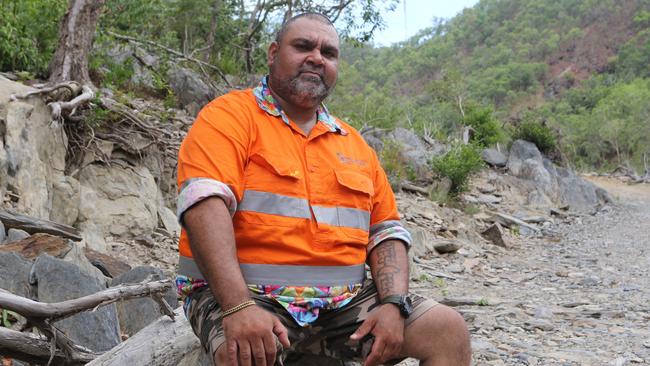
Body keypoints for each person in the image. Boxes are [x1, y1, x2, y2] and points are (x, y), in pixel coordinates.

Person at [175, 12, 471, 366]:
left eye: (328, 53)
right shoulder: (228, 117)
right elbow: (203, 204)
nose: (317, 57)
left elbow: (386, 231)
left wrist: (393, 303)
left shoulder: (354, 144)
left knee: (447, 331)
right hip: (246, 298)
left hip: (342, 306)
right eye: (303, 46)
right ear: (273, 53)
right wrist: (238, 306)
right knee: (245, 354)